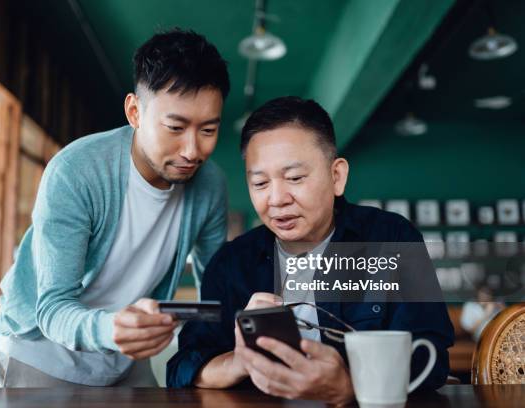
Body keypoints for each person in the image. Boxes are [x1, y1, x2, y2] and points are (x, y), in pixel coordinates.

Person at [167, 96, 454, 404]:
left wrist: (350, 386)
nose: (277, 199)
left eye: (294, 178)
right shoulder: (230, 263)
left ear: (336, 176)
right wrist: (239, 361)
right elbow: (182, 367)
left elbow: (432, 356)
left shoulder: (392, 238)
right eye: (260, 183)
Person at [0, 29, 230, 387]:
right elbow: (52, 308)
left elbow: (215, 289)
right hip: (41, 349)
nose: (192, 150)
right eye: (175, 127)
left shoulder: (210, 185)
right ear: (135, 111)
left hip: (125, 356)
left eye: (208, 130)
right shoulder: (76, 171)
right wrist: (112, 329)